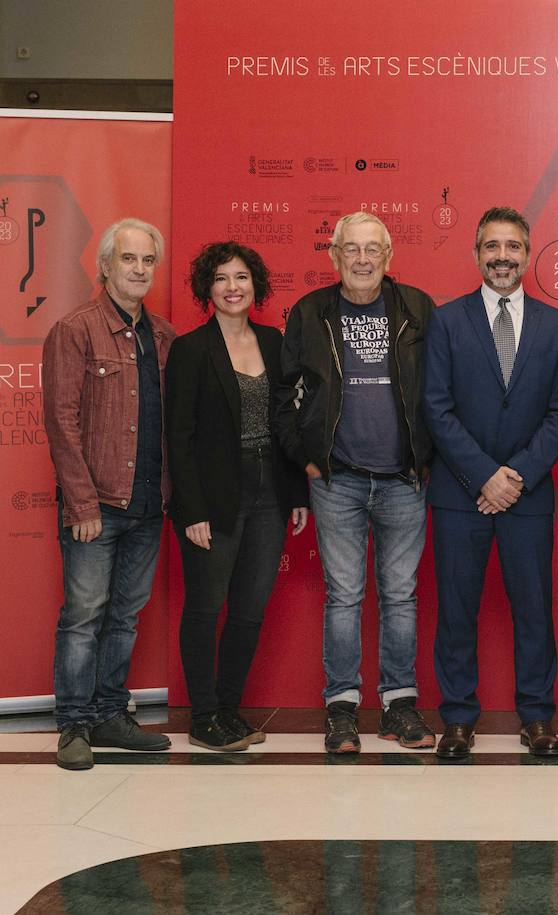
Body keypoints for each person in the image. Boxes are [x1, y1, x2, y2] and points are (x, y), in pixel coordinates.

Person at [274, 212, 436, 754]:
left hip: (403, 479)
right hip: (337, 479)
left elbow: (440, 390)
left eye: (372, 250)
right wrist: (308, 460)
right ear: (334, 256)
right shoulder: (310, 312)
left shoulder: (417, 308)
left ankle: (401, 707)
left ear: (389, 257)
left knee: (401, 596)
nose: (362, 259)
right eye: (351, 249)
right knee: (344, 597)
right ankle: (341, 709)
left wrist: (426, 457)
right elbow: (285, 394)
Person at [424, 206, 558, 759]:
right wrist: (484, 476)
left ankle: (537, 717)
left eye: (513, 247)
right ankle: (458, 719)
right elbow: (436, 410)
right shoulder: (445, 320)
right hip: (460, 494)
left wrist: (515, 477)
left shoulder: (557, 327)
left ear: (528, 253)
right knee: (457, 610)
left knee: (533, 610)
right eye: (492, 246)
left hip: (528, 494)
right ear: (475, 254)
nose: (503, 257)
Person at [42, 217, 175, 770]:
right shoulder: (76, 330)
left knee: (125, 615)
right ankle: (73, 726)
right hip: (96, 505)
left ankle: (109, 714)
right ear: (105, 266)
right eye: (129, 259)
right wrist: (81, 505)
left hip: (148, 504)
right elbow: (61, 420)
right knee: (84, 616)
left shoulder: (164, 336)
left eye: (147, 261)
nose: (140, 269)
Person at [166, 242, 310, 751]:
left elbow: (284, 425)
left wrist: (297, 493)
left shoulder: (273, 343)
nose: (233, 287)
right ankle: (203, 715)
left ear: (256, 286)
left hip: (270, 490)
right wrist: (192, 509)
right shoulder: (190, 349)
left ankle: (228, 710)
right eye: (222, 278)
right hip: (213, 497)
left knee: (249, 610)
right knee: (206, 608)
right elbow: (178, 437)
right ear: (208, 289)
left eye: (242, 277)